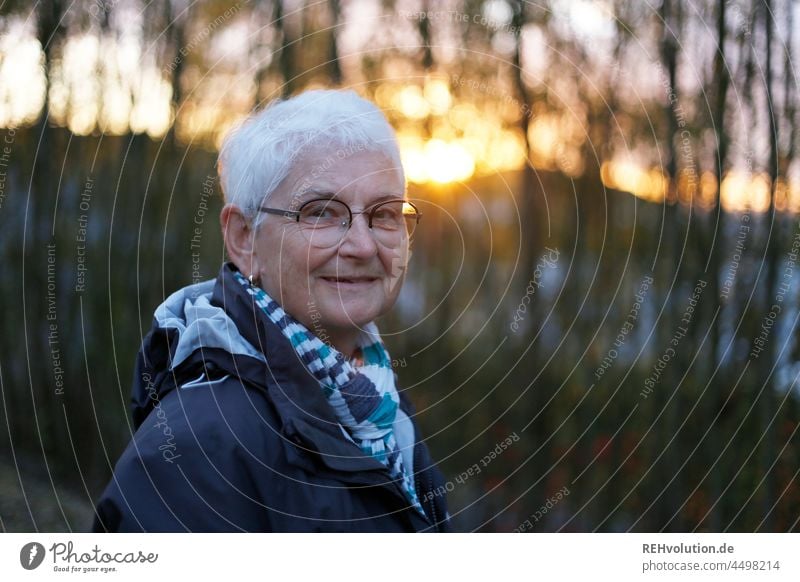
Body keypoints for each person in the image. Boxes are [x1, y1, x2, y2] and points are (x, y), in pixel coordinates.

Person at [92, 89, 450, 532]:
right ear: (244, 238)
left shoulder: (377, 406)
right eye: (321, 212)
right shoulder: (199, 450)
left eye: (385, 213)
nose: (362, 245)